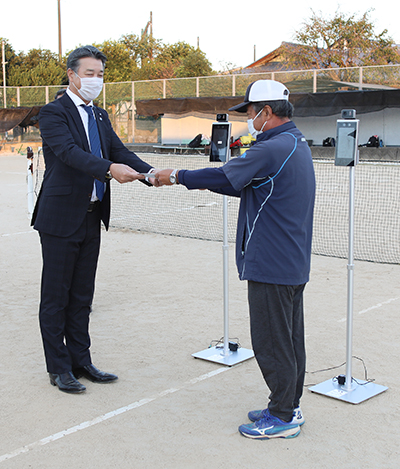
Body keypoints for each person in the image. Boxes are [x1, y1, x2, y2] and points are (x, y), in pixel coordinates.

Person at [154, 80, 315, 440]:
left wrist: (176, 175)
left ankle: (282, 415)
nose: (249, 118)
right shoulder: (293, 141)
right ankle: (288, 402)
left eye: (251, 112)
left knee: (272, 341)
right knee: (289, 338)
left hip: (272, 259)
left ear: (267, 112)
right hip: (290, 258)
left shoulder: (272, 147)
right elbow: (235, 183)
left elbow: (225, 175)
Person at [32, 45, 155, 394]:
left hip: (92, 215)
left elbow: (119, 152)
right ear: (72, 75)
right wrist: (108, 170)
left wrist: (154, 173)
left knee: (83, 295)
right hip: (59, 219)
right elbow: (70, 154)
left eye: (100, 74)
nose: (96, 80)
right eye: (89, 73)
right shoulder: (53, 113)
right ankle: (58, 368)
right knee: (56, 296)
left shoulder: (99, 116)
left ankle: (80, 361)